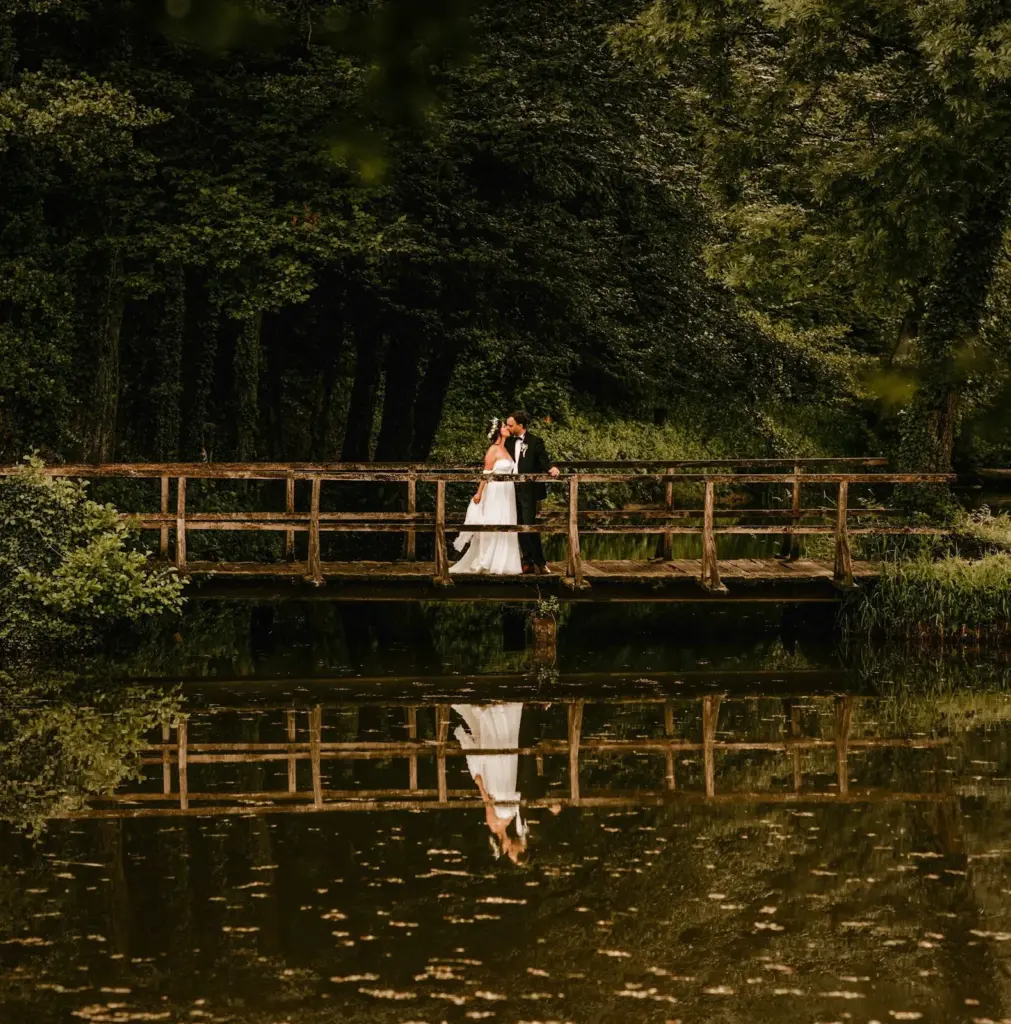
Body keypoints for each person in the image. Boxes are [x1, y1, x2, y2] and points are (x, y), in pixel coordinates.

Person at [452, 703, 528, 865]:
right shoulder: (513, 824)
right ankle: (498, 714)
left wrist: (480, 784)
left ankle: (487, 717)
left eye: (508, 851)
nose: (510, 849)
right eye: (512, 851)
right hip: (506, 779)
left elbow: (487, 803)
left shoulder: (495, 826)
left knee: (492, 754)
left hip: (494, 783)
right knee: (504, 751)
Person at [450, 417, 523, 575]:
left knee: (507, 521)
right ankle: (487, 560)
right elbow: (486, 473)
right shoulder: (493, 450)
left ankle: (504, 561)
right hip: (495, 491)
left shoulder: (506, 448)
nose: (507, 428)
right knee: (493, 521)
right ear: (498, 432)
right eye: (504, 427)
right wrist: (479, 492)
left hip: (507, 491)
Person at [505, 410, 560, 575]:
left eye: (510, 425)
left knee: (529, 524)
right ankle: (526, 561)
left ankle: (541, 562)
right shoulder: (508, 442)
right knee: (519, 524)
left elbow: (543, 459)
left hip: (528, 489)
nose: (508, 427)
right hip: (510, 488)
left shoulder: (535, 441)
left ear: (520, 425)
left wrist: (551, 468)